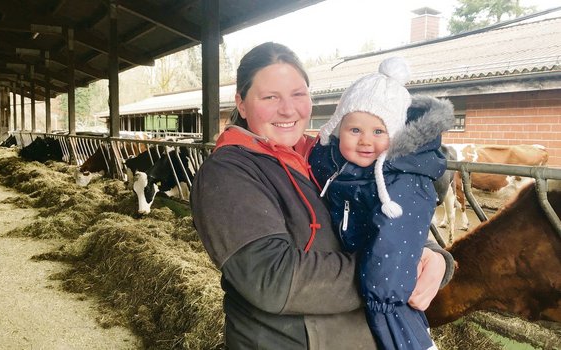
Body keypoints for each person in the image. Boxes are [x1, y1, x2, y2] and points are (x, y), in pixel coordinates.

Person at [190, 42, 454, 349]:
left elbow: (380, 215)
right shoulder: (229, 171)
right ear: (242, 103)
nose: (288, 109)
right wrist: (396, 270)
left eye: (298, 94)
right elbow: (273, 279)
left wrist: (432, 256)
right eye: (270, 97)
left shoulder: (328, 155)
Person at [308, 57, 455, 349]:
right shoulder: (333, 162)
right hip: (360, 282)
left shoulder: (400, 181)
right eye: (354, 130)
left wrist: (384, 300)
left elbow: (396, 243)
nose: (365, 141)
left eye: (378, 132)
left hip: (389, 294)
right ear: (337, 129)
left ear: (395, 136)